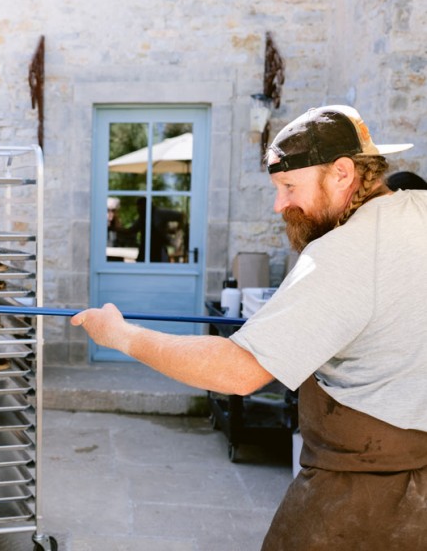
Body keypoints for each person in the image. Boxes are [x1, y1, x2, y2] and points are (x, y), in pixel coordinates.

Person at [71, 105, 427, 549]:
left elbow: (238, 373)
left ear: (342, 173)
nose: (280, 205)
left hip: (363, 500)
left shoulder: (343, 253)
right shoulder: (417, 206)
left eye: (288, 187)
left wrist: (121, 335)